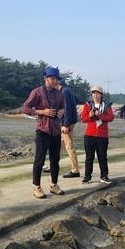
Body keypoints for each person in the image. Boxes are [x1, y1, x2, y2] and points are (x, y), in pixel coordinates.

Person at [22, 66, 66, 199]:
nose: (54, 81)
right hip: (43, 129)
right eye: (52, 78)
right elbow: (26, 108)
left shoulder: (59, 93)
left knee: (55, 160)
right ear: (45, 78)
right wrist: (43, 112)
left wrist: (61, 112)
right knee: (39, 160)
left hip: (56, 130)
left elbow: (63, 107)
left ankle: (54, 185)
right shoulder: (37, 92)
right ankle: (37, 187)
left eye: (56, 79)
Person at [81, 86, 114, 184]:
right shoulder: (88, 105)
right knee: (89, 157)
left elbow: (111, 118)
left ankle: (104, 176)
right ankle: (87, 176)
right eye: (94, 93)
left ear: (101, 95)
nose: (95, 95)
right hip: (90, 134)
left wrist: (100, 115)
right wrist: (90, 116)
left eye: (97, 93)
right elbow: (83, 119)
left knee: (102, 156)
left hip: (102, 135)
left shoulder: (106, 106)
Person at [57, 77, 81, 178]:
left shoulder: (64, 92)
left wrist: (66, 125)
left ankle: (75, 170)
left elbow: (66, 109)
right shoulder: (68, 90)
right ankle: (54, 165)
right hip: (68, 122)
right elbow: (77, 100)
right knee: (59, 145)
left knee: (69, 145)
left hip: (67, 123)